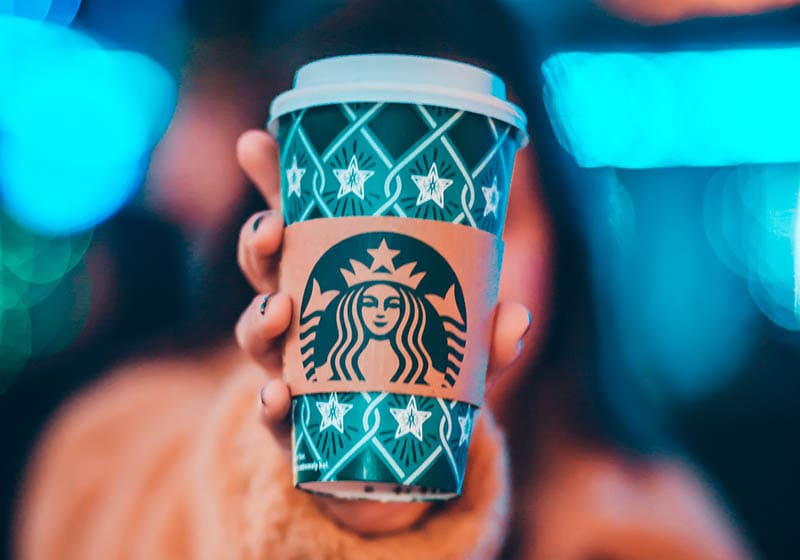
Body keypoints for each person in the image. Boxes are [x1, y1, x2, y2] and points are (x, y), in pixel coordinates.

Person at [15, 0, 781, 557]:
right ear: (275, 235)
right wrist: (331, 512)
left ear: (567, 243)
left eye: (489, 223)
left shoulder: (647, 528)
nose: (402, 282)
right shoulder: (120, 448)